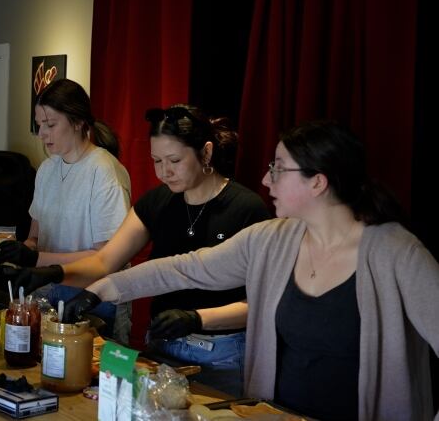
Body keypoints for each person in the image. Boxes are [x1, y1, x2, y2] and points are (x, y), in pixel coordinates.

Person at [63, 120, 439, 420]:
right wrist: (103, 288)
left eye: (277, 168)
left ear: (318, 182)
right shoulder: (272, 240)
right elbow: (187, 268)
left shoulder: (396, 253)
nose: (265, 179)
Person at [11, 104, 271, 397]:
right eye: (156, 161)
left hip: (221, 354)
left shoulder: (247, 209)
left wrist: (197, 318)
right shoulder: (157, 202)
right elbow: (104, 261)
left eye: (174, 160)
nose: (164, 172)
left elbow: (259, 305)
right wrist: (54, 273)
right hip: (162, 346)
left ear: (206, 153)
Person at [0, 78, 131, 329]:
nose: (42, 133)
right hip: (48, 290)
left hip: (93, 297)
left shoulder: (104, 172)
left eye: (50, 124)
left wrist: (35, 258)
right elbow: (36, 236)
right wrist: (17, 251)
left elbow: (106, 257)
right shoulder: (47, 169)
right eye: (39, 124)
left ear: (77, 122)